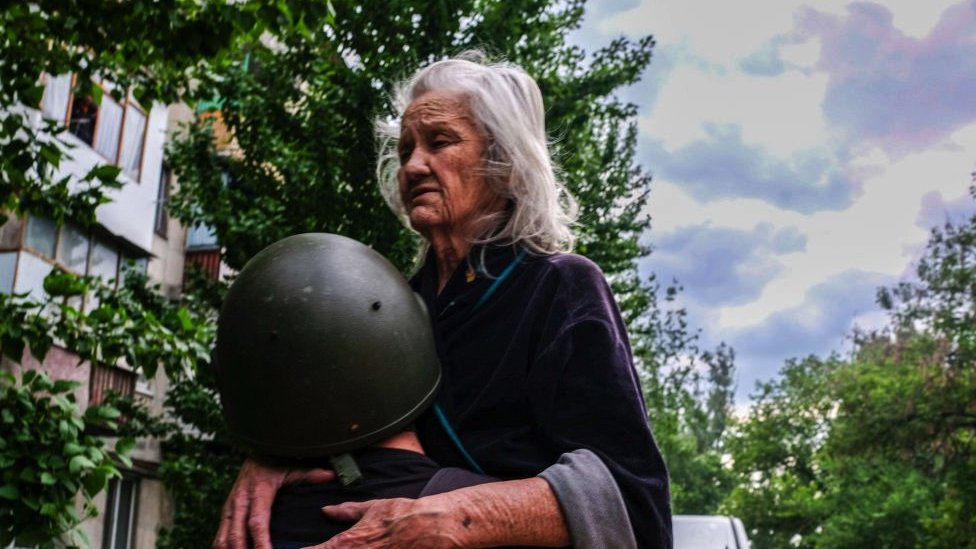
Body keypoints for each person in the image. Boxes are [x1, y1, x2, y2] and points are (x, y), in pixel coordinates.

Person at [214, 51, 672, 549]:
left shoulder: (559, 286)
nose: (412, 166)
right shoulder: (395, 304)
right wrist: (272, 458)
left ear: (505, 163)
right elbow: (347, 432)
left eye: (440, 142)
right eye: (406, 148)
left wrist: (456, 517)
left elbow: (631, 501)